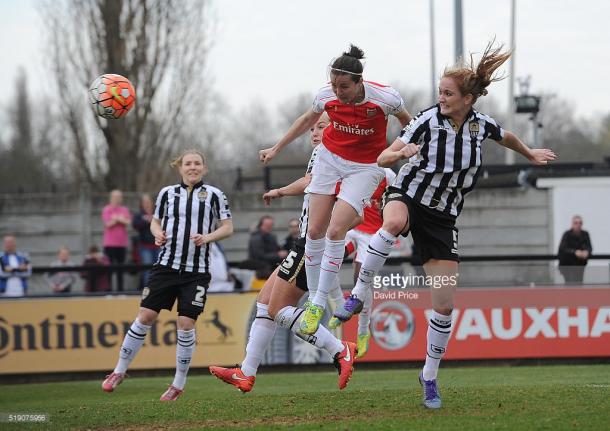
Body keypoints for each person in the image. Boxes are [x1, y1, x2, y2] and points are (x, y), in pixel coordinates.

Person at [332, 41, 556, 409]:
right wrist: (400, 153)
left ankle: (430, 376)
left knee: (444, 304)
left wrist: (530, 153)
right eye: (440, 91)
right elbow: (384, 155)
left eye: (448, 93)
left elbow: (508, 137)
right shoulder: (426, 119)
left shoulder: (481, 126)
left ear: (468, 98)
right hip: (408, 194)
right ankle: (357, 294)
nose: (441, 97)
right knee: (392, 223)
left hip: (443, 216)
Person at [259, 44, 412, 335]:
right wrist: (276, 148)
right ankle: (318, 303)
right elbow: (306, 120)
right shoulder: (325, 96)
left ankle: (319, 303)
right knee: (314, 231)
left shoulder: (385, 98)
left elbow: (409, 123)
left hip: (366, 167)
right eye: (334, 85)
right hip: (330, 158)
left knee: (335, 231)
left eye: (344, 86)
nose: (338, 91)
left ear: (359, 82)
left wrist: (402, 149)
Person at [209, 114, 359, 393]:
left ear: (337, 128)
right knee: (265, 303)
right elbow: (312, 182)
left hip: (313, 246)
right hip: (304, 243)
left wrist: (278, 191)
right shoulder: (323, 152)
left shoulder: (335, 154)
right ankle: (246, 372)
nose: (315, 131)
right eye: (313, 128)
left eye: (322, 126)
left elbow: (313, 183)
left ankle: (339, 349)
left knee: (277, 309)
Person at [102, 149, 233, 401]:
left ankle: (178, 384)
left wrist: (207, 237)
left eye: (197, 164)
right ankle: (118, 371)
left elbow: (228, 228)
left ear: (204, 168)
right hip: (166, 266)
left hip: (197, 272)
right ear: (180, 168)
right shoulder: (166, 193)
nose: (192, 167)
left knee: (185, 324)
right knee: (145, 315)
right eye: (188, 164)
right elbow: (155, 221)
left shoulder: (216, 195)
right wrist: (156, 233)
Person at [102, 189, 131, 292]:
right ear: (111, 198)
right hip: (109, 244)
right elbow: (107, 224)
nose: (118, 199)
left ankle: (120, 290)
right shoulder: (107, 209)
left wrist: (116, 219)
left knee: (120, 268)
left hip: (122, 244)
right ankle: (109, 290)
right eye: (116, 197)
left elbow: (127, 222)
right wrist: (119, 219)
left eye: (120, 197)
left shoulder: (124, 209)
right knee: (109, 268)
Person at [132, 193, 159, 287]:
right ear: (141, 204)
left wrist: (152, 220)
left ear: (152, 202)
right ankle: (147, 290)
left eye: (148, 201)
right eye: (144, 202)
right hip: (144, 247)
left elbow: (164, 224)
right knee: (147, 270)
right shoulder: (139, 215)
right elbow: (135, 225)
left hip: (158, 246)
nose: (147, 204)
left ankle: (158, 289)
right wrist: (147, 221)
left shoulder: (157, 213)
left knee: (159, 269)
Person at [558, 215, 592, 284]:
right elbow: (563, 249)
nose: (578, 225)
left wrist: (587, 252)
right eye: (576, 223)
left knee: (579, 284)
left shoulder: (585, 234)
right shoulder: (567, 234)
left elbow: (589, 247)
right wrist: (575, 252)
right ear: (572, 224)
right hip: (567, 266)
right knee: (570, 285)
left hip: (580, 265)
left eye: (580, 223)